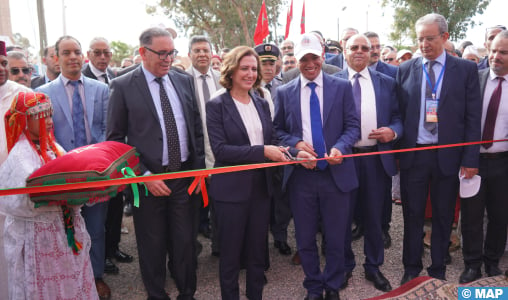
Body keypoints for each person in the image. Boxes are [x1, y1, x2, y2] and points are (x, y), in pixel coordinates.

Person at [107, 27, 204, 300]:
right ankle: (156, 294)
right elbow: (115, 142)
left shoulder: (183, 80)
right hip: (147, 182)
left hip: (183, 177)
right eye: (161, 53)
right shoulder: (123, 85)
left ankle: (187, 293)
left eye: (171, 53)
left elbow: (195, 127)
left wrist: (198, 170)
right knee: (152, 245)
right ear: (142, 52)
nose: (167, 59)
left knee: (185, 243)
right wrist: (143, 175)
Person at [396, 13, 482, 284]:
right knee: (412, 215)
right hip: (415, 155)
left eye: (430, 38)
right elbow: (399, 113)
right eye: (420, 39)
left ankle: (438, 269)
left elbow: (472, 118)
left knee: (444, 215)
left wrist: (470, 158)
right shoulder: (405, 69)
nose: (424, 44)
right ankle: (411, 267)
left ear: (445, 37)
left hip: (448, 156)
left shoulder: (465, 70)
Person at [274, 33, 360, 300]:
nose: (310, 64)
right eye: (304, 59)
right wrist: (297, 145)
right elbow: (277, 131)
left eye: (314, 58)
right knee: (305, 238)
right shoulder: (285, 92)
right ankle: (313, 286)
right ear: (296, 61)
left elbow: (352, 126)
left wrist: (341, 148)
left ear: (322, 56)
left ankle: (332, 285)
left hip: (336, 174)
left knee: (336, 237)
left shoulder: (342, 87)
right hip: (302, 178)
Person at [206, 45, 295, 300]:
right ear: (231, 71)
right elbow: (222, 151)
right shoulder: (217, 105)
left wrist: (297, 153)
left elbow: (274, 139)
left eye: (254, 69)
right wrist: (263, 151)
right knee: (231, 257)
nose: (250, 73)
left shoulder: (261, 101)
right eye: (244, 68)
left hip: (261, 190)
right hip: (231, 193)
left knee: (258, 255)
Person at [0, 91, 97, 299]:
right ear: (25, 120)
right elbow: (17, 202)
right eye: (41, 116)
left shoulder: (53, 148)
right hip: (40, 236)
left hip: (62, 233)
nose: (49, 121)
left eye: (50, 115)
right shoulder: (19, 157)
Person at [35, 35, 111, 299]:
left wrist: (95, 163)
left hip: (95, 174)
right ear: (56, 58)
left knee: (96, 228)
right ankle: (71, 279)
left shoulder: (101, 90)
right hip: (62, 174)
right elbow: (45, 137)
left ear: (84, 56)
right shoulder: (43, 94)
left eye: (77, 52)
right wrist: (66, 165)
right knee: (67, 229)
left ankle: (96, 276)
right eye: (66, 53)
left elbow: (105, 130)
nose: (73, 57)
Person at [335, 34, 402, 292]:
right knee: (342, 218)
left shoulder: (386, 82)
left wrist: (392, 132)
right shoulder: (332, 82)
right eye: (355, 47)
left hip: (376, 159)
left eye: (366, 47)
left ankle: (373, 266)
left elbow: (398, 117)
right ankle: (345, 266)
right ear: (345, 49)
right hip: (344, 160)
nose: (361, 51)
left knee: (375, 218)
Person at [81, 36, 134, 275]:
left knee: (114, 206)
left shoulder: (116, 77)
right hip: (91, 159)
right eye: (98, 53)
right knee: (95, 215)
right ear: (89, 55)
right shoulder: (83, 79)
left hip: (115, 156)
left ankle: (113, 249)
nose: (103, 57)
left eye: (106, 53)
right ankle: (97, 260)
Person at [459, 30, 508, 284]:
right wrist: (466, 158)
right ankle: (472, 265)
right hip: (472, 163)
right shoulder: (474, 80)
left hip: (503, 164)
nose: (495, 57)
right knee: (471, 216)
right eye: (493, 51)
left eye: (503, 52)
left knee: (500, 217)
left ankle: (492, 263)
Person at [0, 40, 32, 300]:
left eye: (3, 64)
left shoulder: (23, 97)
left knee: (16, 259)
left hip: (17, 193)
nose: (1, 69)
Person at [186, 35, 222, 255]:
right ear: (190, 54)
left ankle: (220, 246)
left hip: (220, 150)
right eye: (197, 50)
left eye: (205, 50)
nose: (201, 54)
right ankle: (191, 248)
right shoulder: (180, 79)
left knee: (220, 203)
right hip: (193, 154)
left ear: (211, 53)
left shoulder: (222, 78)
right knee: (192, 206)